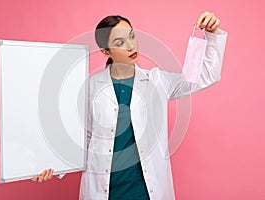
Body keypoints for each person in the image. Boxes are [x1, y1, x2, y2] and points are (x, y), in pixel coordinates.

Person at [31, 11, 227, 200]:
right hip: (106, 190)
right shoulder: (90, 86)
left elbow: (206, 76)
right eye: (120, 42)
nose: (131, 46)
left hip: (146, 191)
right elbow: (83, 137)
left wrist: (212, 34)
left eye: (132, 37)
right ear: (105, 51)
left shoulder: (157, 81)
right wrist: (52, 165)